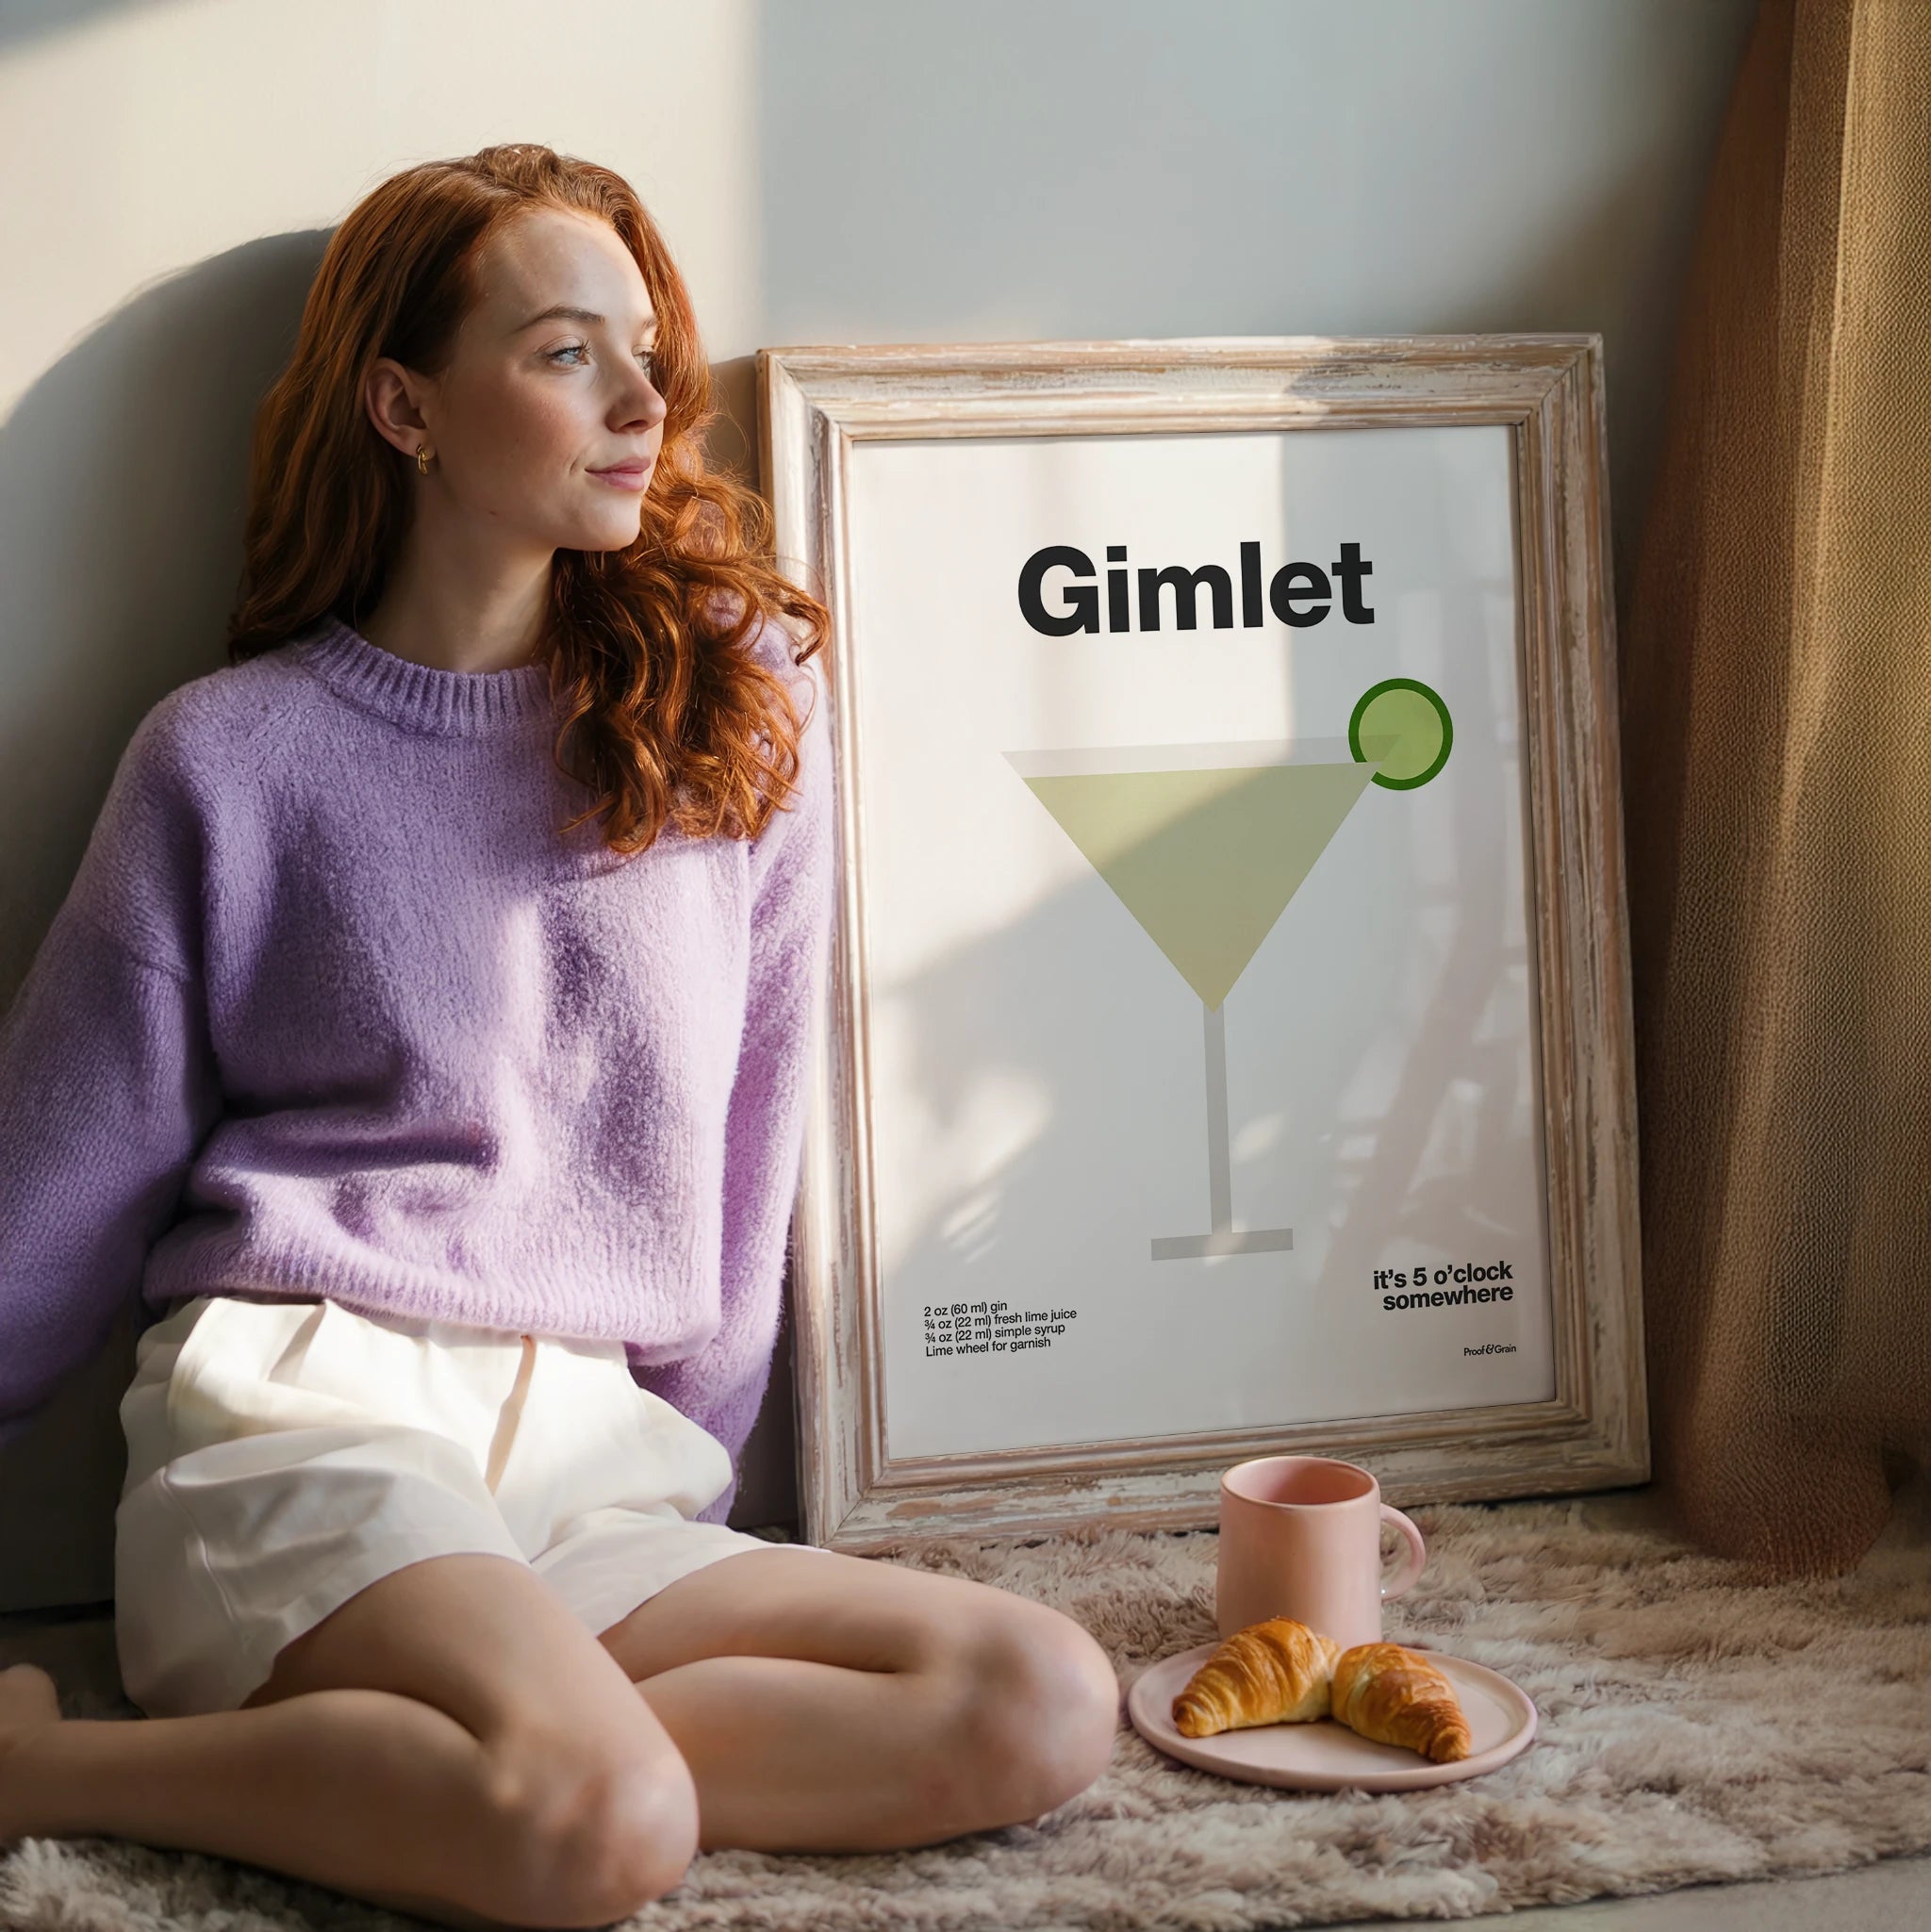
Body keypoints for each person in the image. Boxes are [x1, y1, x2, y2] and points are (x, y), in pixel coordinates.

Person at [0, 142, 1119, 1929]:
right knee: (596, 1830)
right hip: (307, 1414)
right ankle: (45, 1768)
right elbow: (54, 1187)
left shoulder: (724, 729)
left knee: (1042, 1700)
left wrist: (700, 1449)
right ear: (406, 406)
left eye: (645, 347)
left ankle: (495, 1768)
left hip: (588, 1452)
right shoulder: (227, 756)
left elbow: (752, 1147)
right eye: (560, 351)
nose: (643, 394)